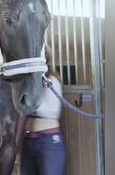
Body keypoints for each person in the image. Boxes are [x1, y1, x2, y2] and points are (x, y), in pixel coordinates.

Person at [20, 47, 67, 175]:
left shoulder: (51, 80)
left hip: (48, 140)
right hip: (29, 140)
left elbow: (51, 111)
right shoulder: (31, 83)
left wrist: (28, 102)